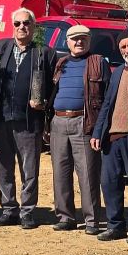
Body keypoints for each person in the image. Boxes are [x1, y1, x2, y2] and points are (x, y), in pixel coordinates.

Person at [0, 8, 57, 230]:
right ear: (12, 25)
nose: (22, 27)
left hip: (29, 121)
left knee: (29, 169)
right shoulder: (0, 50)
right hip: (2, 118)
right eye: (17, 23)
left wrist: (44, 106)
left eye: (26, 23)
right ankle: (8, 210)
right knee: (3, 167)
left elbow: (53, 87)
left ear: (34, 27)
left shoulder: (44, 53)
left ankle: (27, 211)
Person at [91, 30, 128, 243]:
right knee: (109, 182)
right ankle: (115, 225)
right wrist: (98, 132)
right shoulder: (117, 72)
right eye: (124, 47)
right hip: (112, 137)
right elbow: (107, 104)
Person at [49, 25, 109, 234]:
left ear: (89, 41)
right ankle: (65, 217)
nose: (79, 42)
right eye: (74, 39)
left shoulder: (98, 62)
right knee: (60, 172)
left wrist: (99, 129)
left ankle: (92, 220)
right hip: (58, 121)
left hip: (84, 122)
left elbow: (106, 98)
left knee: (88, 173)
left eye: (83, 38)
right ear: (67, 42)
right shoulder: (61, 63)